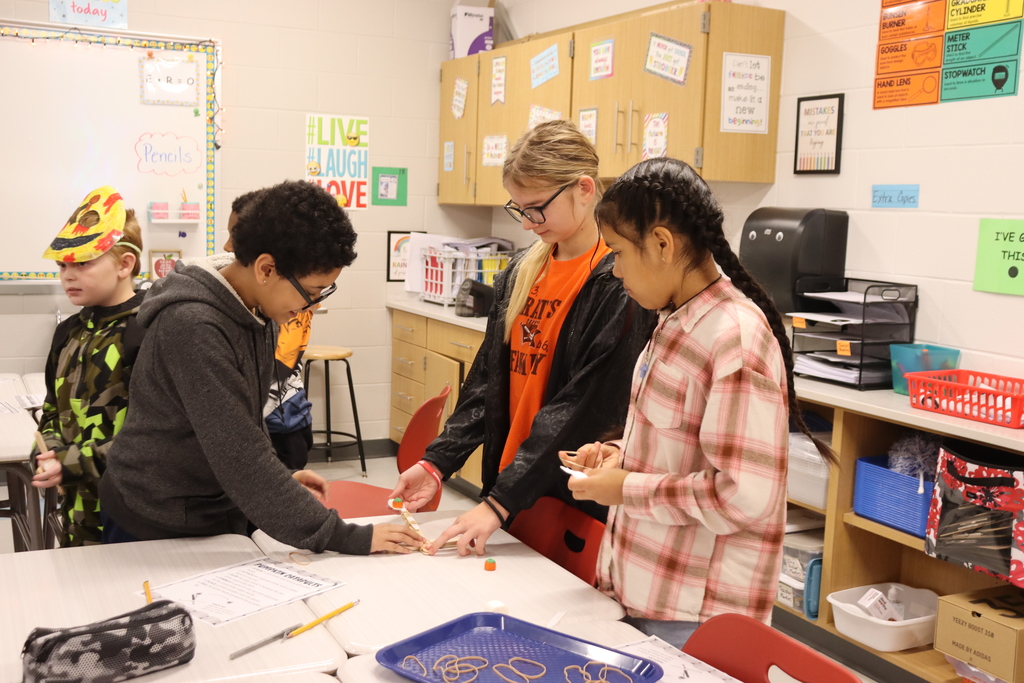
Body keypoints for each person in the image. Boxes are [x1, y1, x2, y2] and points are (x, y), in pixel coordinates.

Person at [561, 158, 836, 647]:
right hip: (644, 588)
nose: (616, 269)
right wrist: (622, 457)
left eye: (621, 253)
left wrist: (627, 488)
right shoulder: (674, 318)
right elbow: (684, 443)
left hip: (694, 616)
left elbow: (741, 495)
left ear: (663, 244)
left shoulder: (736, 340)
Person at [99, 180, 422, 554]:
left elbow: (243, 429)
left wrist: (280, 479)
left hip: (207, 504)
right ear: (266, 269)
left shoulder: (257, 308)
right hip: (153, 516)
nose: (312, 307)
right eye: (312, 293)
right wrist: (350, 537)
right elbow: (241, 460)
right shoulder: (194, 325)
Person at [390, 120, 656, 555]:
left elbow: (578, 410)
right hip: (512, 484)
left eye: (537, 208)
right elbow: (485, 386)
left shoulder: (618, 282)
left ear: (584, 190)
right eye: (519, 209)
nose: (529, 223)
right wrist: (436, 462)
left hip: (567, 496)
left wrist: (497, 504)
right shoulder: (520, 271)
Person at [31, 185, 146, 547]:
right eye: (63, 265)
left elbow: (152, 436)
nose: (68, 275)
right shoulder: (68, 333)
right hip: (77, 511)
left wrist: (71, 463)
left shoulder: (146, 330)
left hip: (134, 515)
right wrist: (46, 452)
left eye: (82, 263)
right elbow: (51, 410)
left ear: (125, 264)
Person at [225, 189, 315, 470]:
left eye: (236, 236)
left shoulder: (282, 302)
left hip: (282, 416)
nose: (228, 247)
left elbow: (282, 362)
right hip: (269, 420)